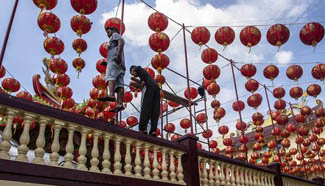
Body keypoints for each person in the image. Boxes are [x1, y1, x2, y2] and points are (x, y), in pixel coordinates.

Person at [98, 26, 125, 113]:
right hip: (120, 64)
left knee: (110, 76)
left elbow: (121, 42)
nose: (107, 34)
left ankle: (112, 95)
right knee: (120, 84)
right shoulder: (114, 37)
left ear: (113, 30)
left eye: (108, 32)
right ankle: (119, 103)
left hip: (115, 60)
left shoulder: (115, 35)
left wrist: (118, 55)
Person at [130, 66, 160, 137]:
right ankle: (153, 131)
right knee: (155, 109)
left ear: (133, 70)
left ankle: (143, 128)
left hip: (149, 86)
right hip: (156, 88)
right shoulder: (145, 74)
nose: (133, 75)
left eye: (132, 73)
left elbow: (139, 72)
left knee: (146, 107)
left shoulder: (138, 69)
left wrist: (142, 83)